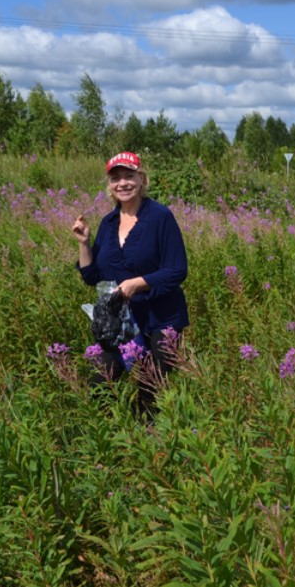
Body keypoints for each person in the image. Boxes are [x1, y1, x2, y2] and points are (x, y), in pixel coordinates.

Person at [71, 152, 189, 415]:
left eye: (129, 176)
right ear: (109, 185)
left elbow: (177, 269)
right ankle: (110, 438)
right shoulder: (108, 222)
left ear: (141, 179)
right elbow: (93, 276)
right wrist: (83, 244)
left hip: (162, 317)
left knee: (151, 389)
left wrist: (137, 283)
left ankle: (151, 443)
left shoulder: (160, 217)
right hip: (122, 321)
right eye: (116, 178)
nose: (122, 183)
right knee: (101, 380)